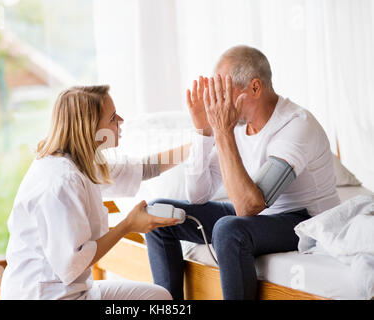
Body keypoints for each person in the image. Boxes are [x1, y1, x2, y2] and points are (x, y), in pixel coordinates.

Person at [145, 45, 340, 300]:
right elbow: (198, 196)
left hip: (303, 221)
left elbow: (248, 207)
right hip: (259, 217)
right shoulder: (236, 125)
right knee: (158, 214)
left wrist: (223, 132)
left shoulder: (295, 126)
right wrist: (203, 132)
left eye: (223, 91)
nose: (216, 101)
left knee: (229, 229)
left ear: (255, 88)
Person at [0, 85, 190, 300]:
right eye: (112, 118)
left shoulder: (80, 163)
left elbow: (145, 168)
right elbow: (72, 263)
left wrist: (199, 146)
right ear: (89, 128)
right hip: (47, 296)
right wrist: (128, 225)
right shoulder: (61, 181)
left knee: (158, 297)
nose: (121, 120)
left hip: (70, 289)